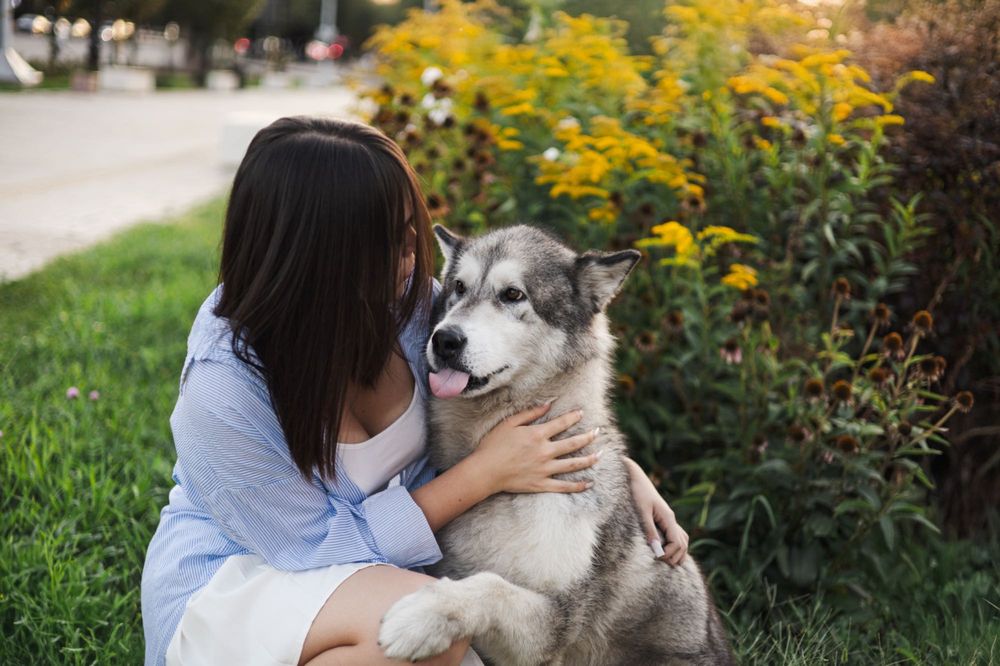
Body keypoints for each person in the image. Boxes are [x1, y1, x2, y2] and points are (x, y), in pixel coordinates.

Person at [140, 116, 689, 666]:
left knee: (437, 630)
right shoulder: (225, 386)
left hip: (368, 577)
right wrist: (482, 475)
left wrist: (613, 472)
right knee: (432, 628)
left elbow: (522, 377)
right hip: (244, 578)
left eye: (411, 226)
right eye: (389, 236)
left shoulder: (404, 305)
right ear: (318, 251)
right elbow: (310, 549)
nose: (413, 250)